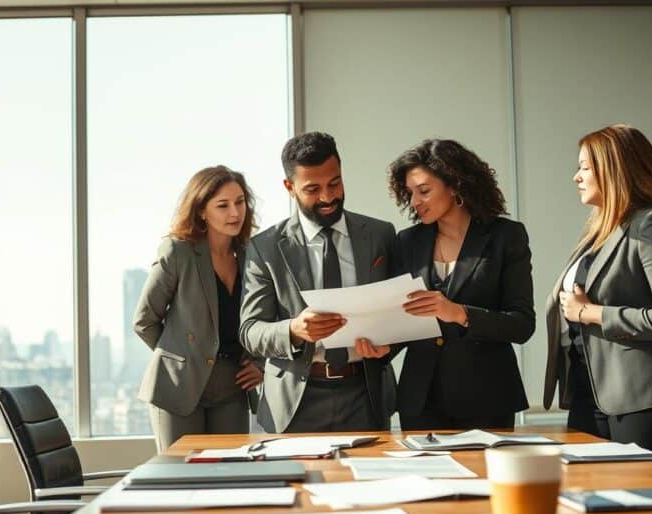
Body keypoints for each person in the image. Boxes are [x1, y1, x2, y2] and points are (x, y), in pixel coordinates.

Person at [543, 124, 652, 460]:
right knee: (590, 497)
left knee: (638, 501)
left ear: (615, 169)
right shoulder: (600, 231)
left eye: (585, 167)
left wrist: (590, 312)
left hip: (646, 398)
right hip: (593, 393)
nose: (576, 176)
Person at [239, 132, 397, 433]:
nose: (327, 197)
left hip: (366, 396)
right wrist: (294, 330)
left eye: (334, 183)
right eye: (312, 189)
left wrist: (388, 344)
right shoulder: (266, 247)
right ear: (290, 187)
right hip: (295, 401)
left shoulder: (380, 236)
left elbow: (401, 313)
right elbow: (251, 332)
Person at [387, 139, 535, 431]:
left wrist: (459, 313)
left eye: (424, 191)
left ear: (454, 184)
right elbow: (403, 320)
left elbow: (521, 325)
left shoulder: (506, 236)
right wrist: (383, 348)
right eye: (410, 193)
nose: (415, 201)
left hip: (487, 399)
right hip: (421, 402)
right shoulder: (407, 241)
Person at [134, 165, 264, 453]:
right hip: (178, 388)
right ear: (202, 210)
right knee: (181, 479)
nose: (235, 213)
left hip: (233, 386)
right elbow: (144, 321)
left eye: (240, 202)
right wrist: (183, 358)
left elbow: (266, 320)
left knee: (229, 477)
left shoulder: (252, 255)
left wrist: (259, 364)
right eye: (223, 205)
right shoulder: (178, 251)